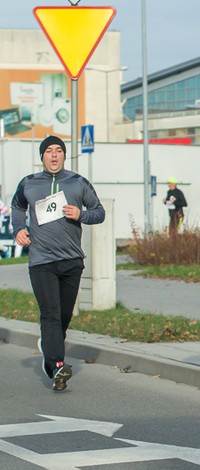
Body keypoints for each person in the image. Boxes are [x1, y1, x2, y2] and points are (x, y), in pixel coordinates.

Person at [11, 135, 106, 391]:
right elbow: (17, 207)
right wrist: (19, 228)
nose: (54, 155)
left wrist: (81, 214)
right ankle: (56, 365)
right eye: (49, 151)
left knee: (63, 316)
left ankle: (49, 349)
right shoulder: (29, 184)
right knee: (50, 313)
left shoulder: (77, 182)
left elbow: (99, 212)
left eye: (59, 151)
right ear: (42, 156)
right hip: (41, 261)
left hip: (72, 260)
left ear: (64, 155)